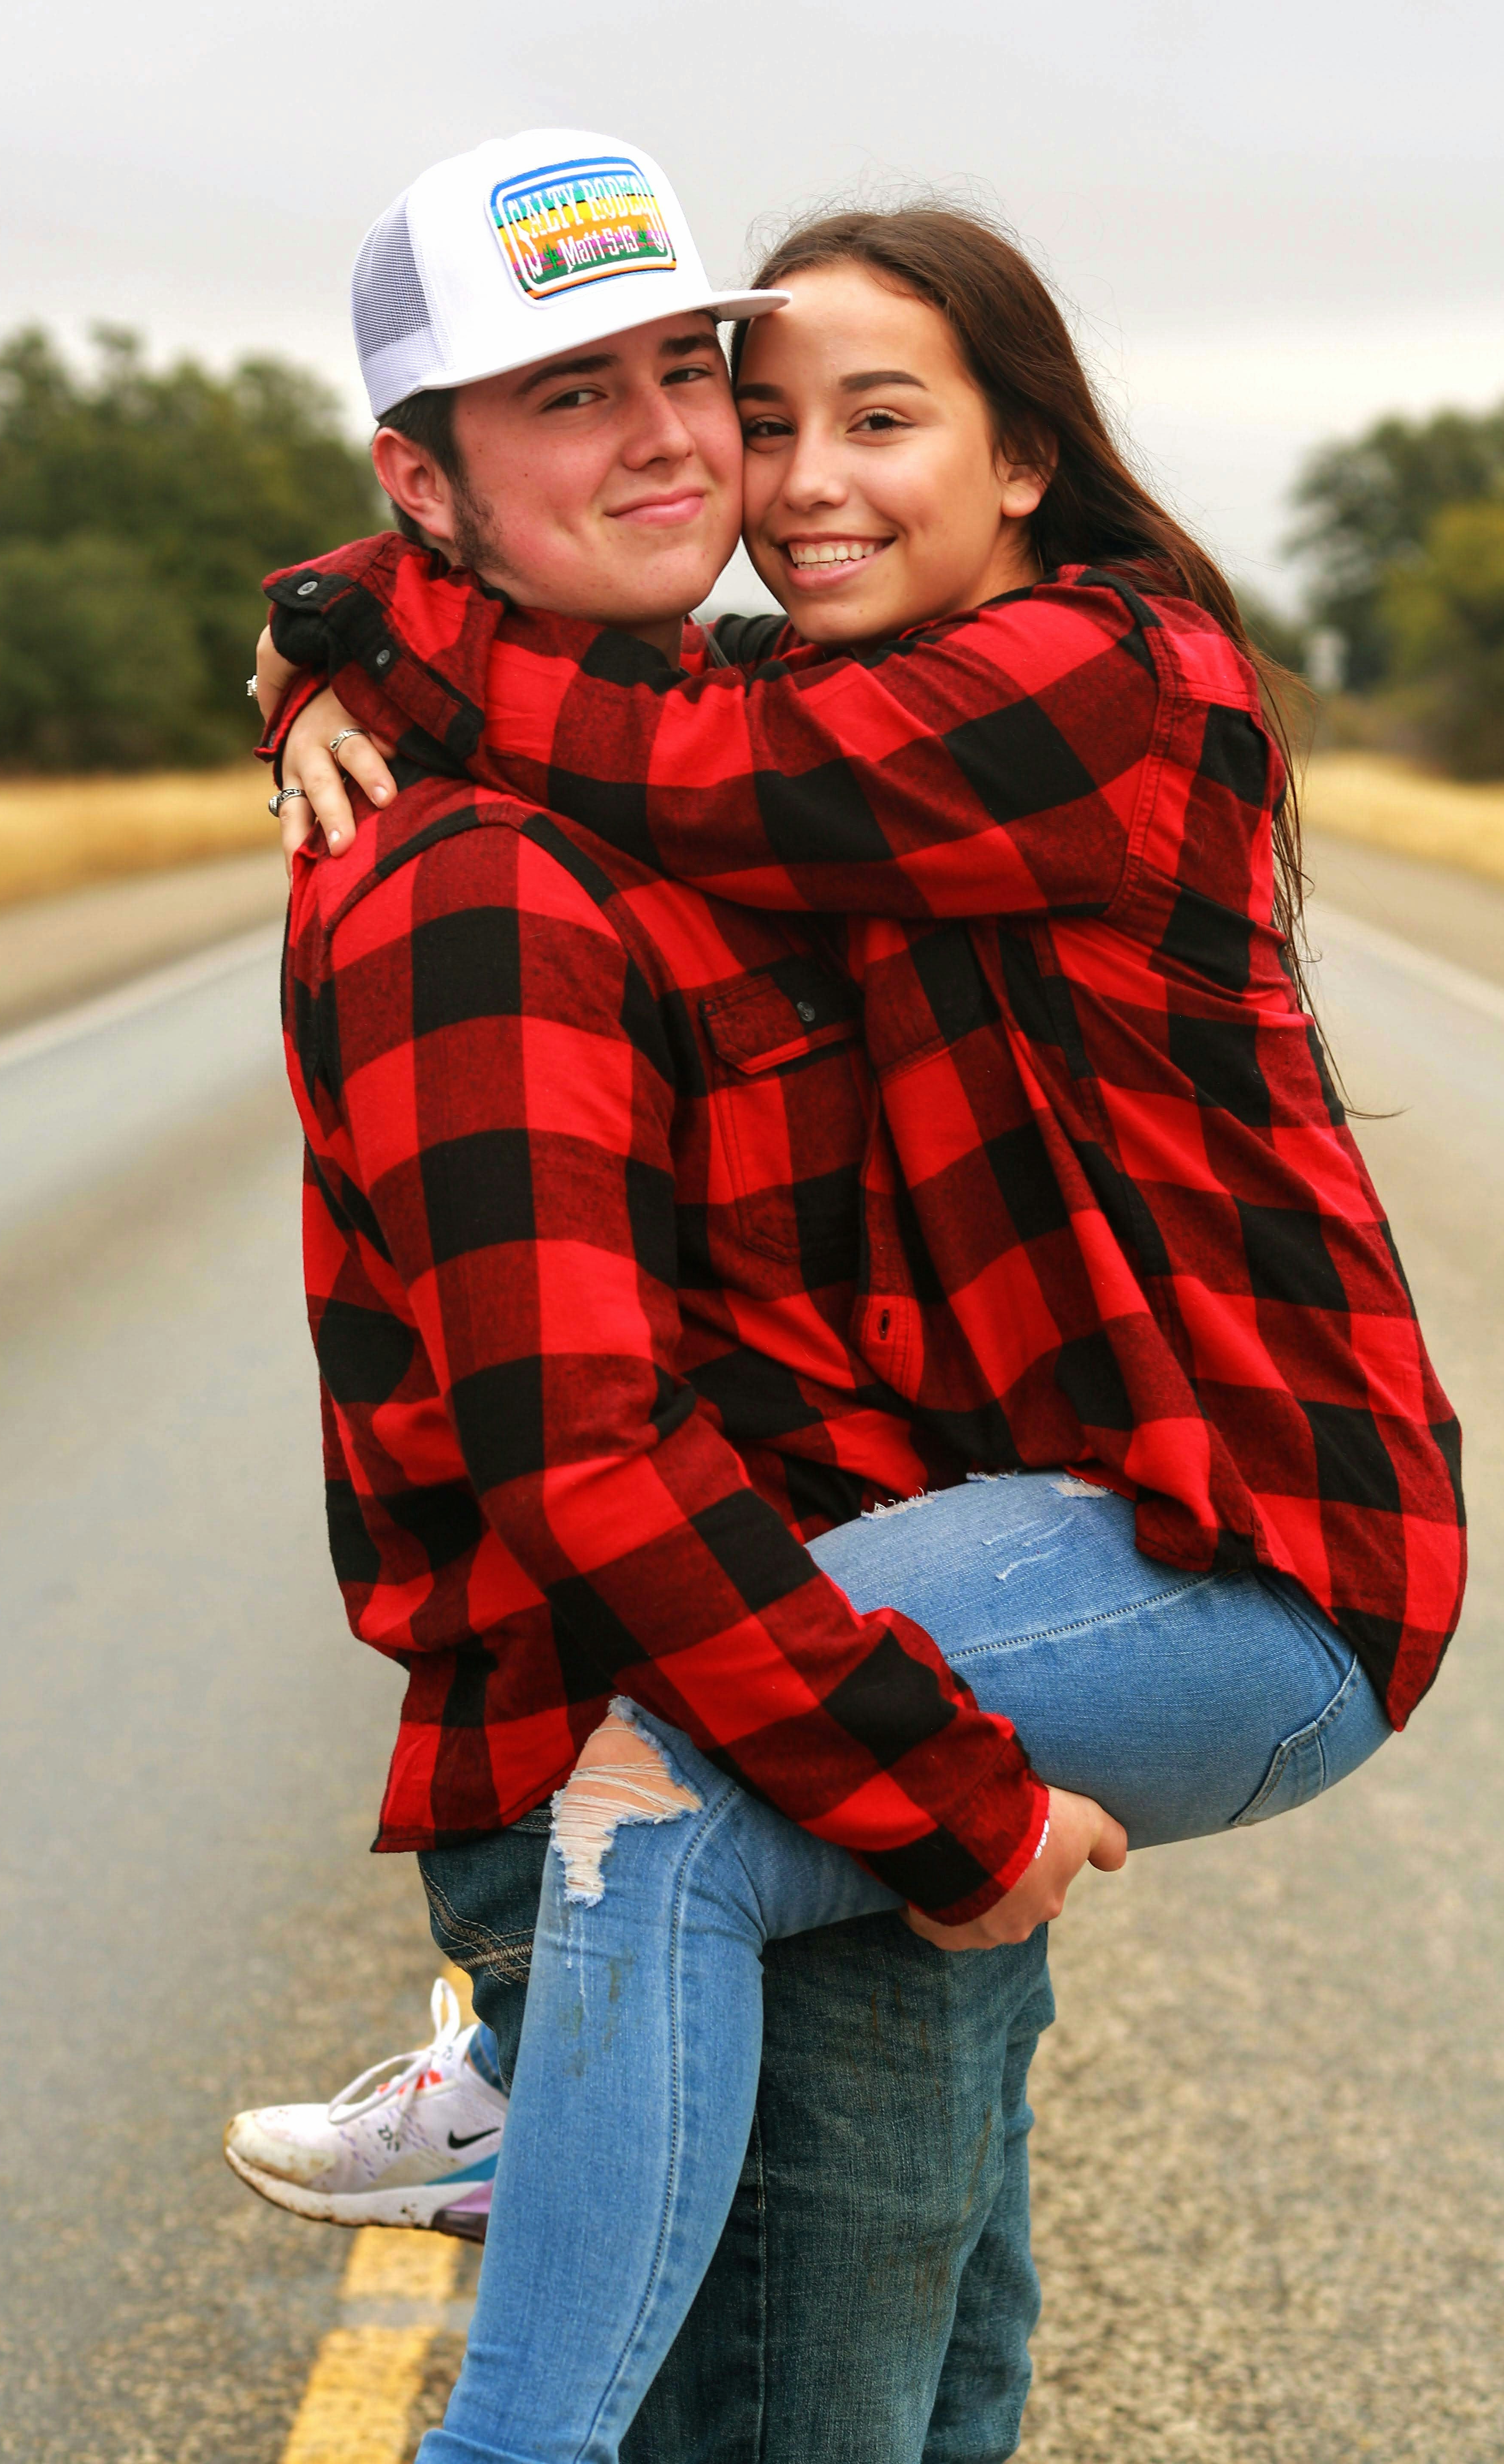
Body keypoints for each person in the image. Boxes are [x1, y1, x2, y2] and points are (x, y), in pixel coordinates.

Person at [258, 203, 1465, 2464]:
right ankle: (537, 2113)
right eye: (769, 407)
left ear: (1028, 461)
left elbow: (680, 756)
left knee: (671, 1832)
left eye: (873, 420)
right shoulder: (673, 770)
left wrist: (351, 626)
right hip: (1021, 1551)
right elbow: (629, 707)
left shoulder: (1107, 673)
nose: (782, 473)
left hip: (1261, 1535)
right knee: (929, 2364)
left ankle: (507, 2335)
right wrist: (358, 630)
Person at [234, 130, 1110, 2464]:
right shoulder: (481, 889)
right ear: (429, 485)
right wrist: (947, 1805)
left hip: (821, 1741)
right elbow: (587, 1462)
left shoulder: (706, 749)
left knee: (932, 2408)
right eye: (560, 398)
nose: (660, 434)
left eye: (683, 366)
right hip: (721, 1798)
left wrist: (331, 627)